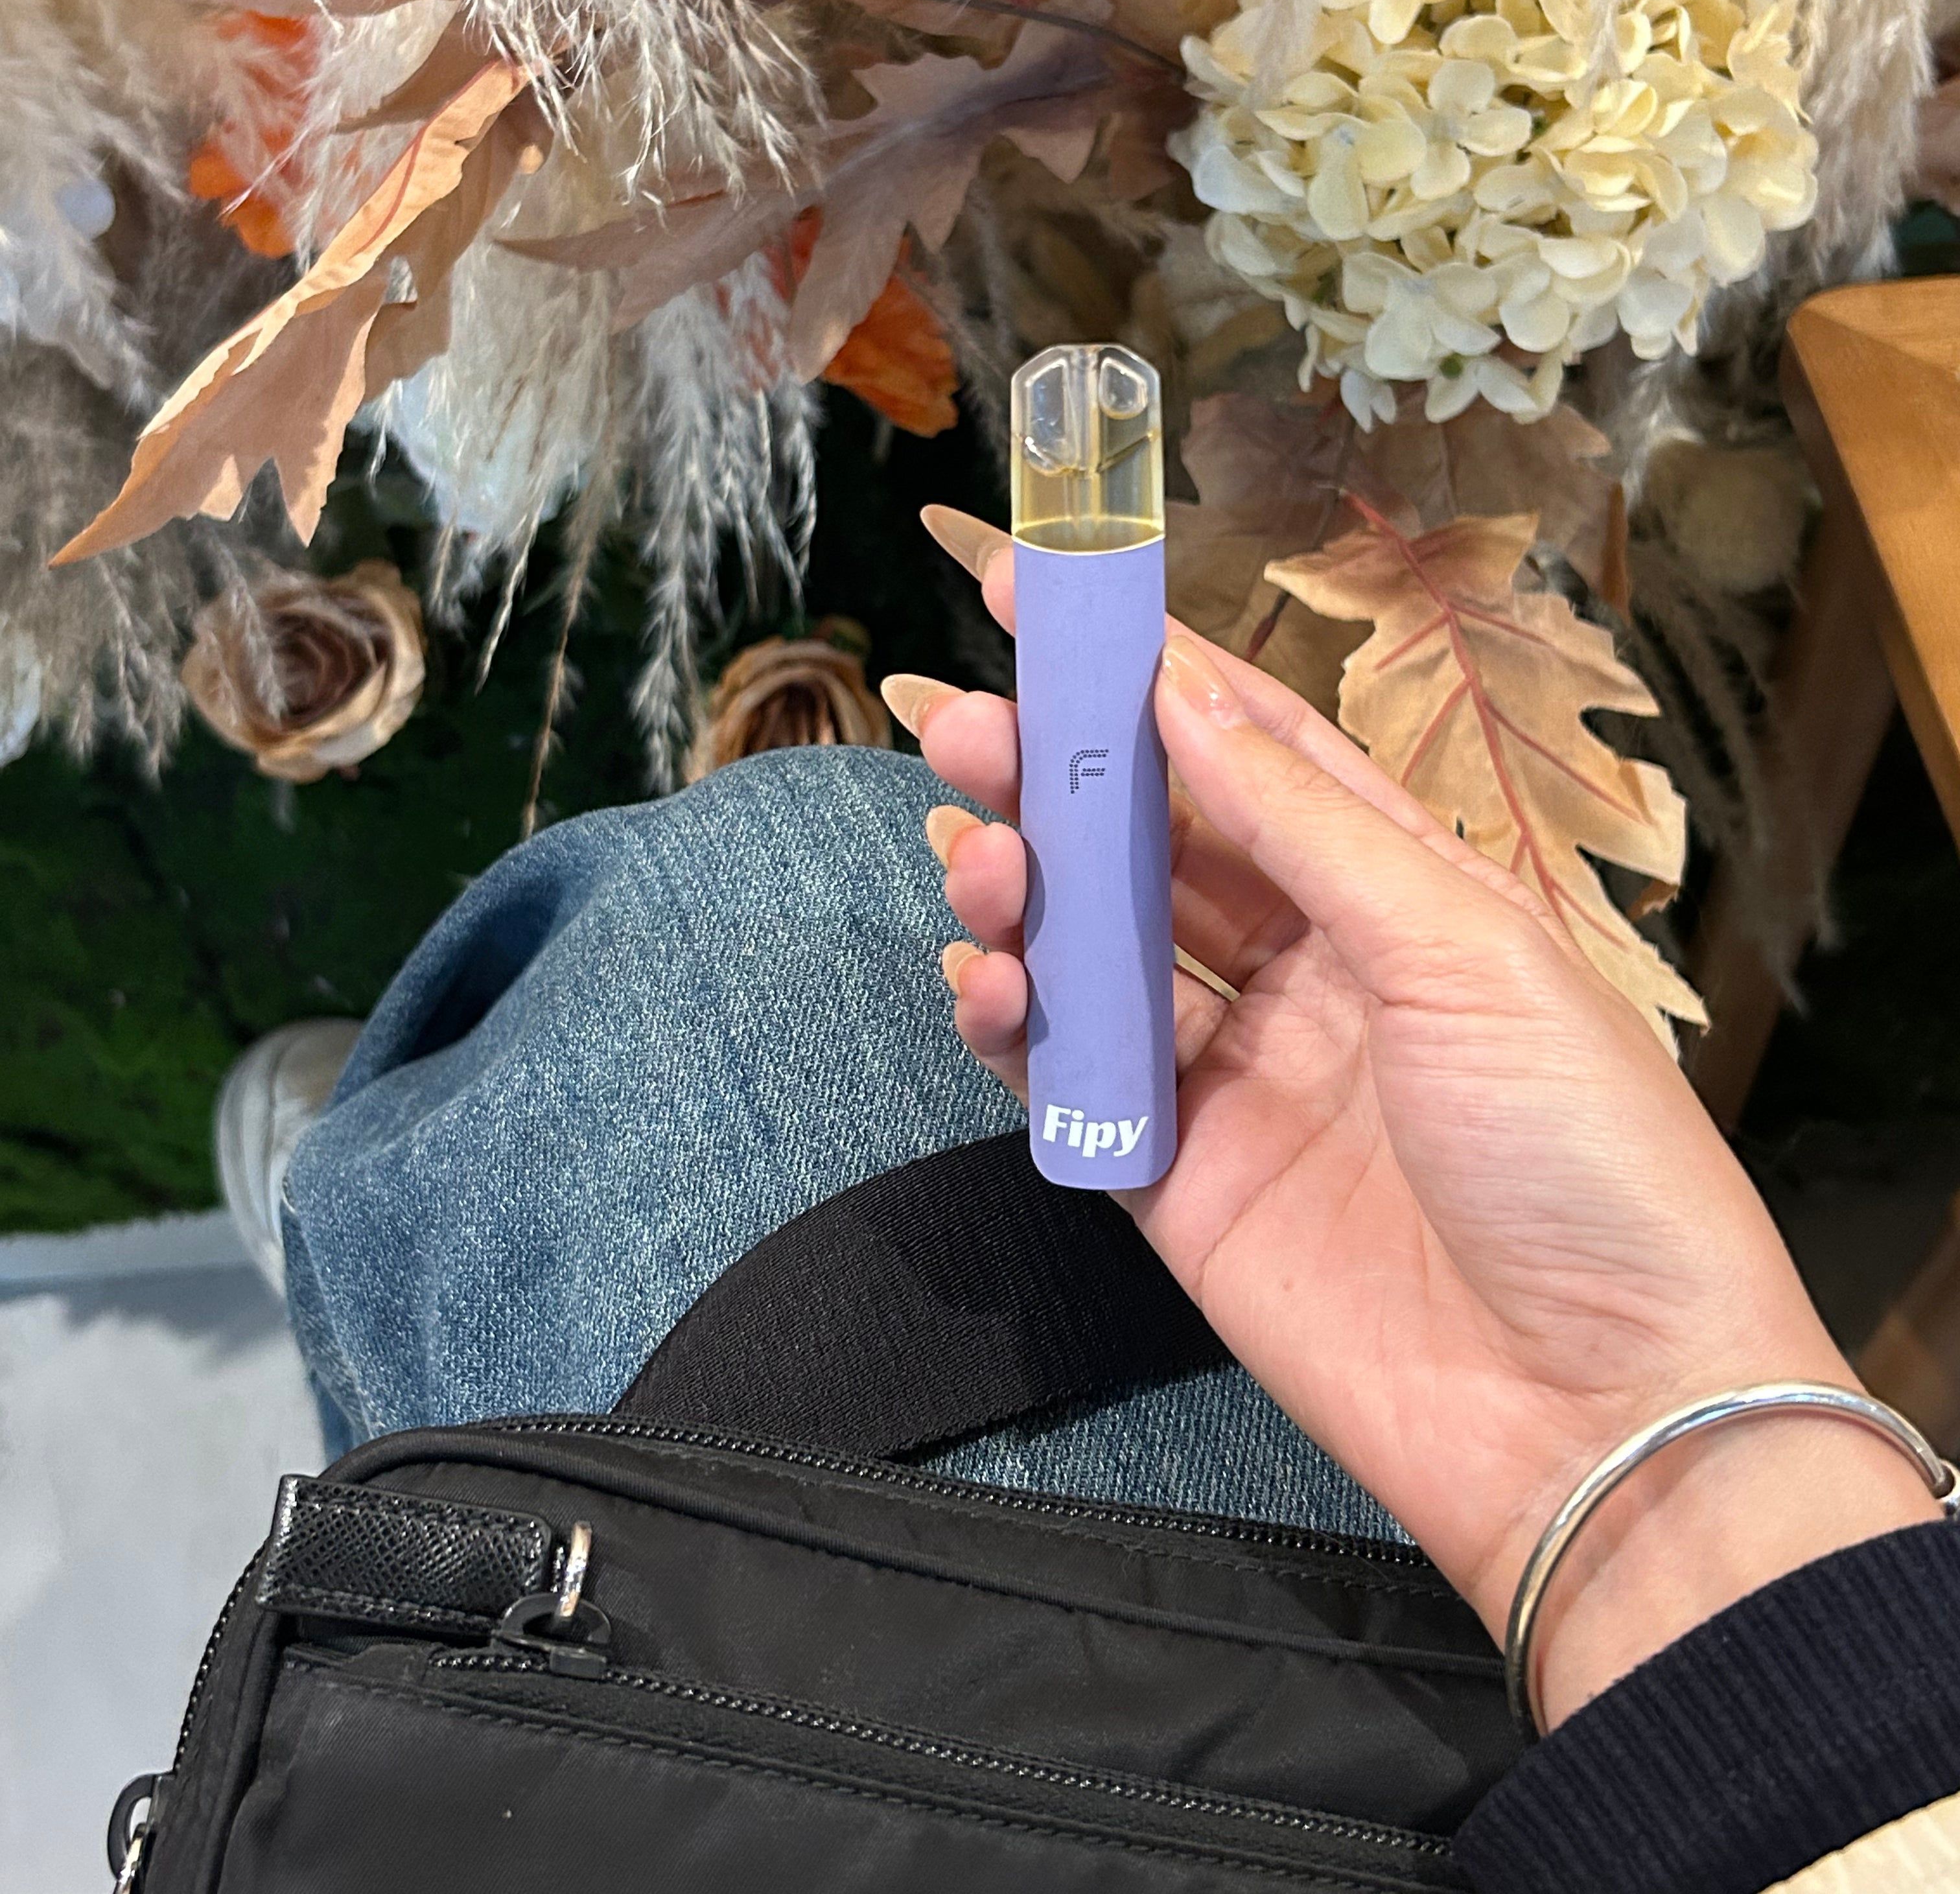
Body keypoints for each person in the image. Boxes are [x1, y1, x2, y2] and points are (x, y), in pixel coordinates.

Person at [222, 505, 1960, 1894]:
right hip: (1749, 1752)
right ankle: (427, 1340)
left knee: (772, 905)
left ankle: (398, 1292)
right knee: (823, 901)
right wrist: (1664, 1432)